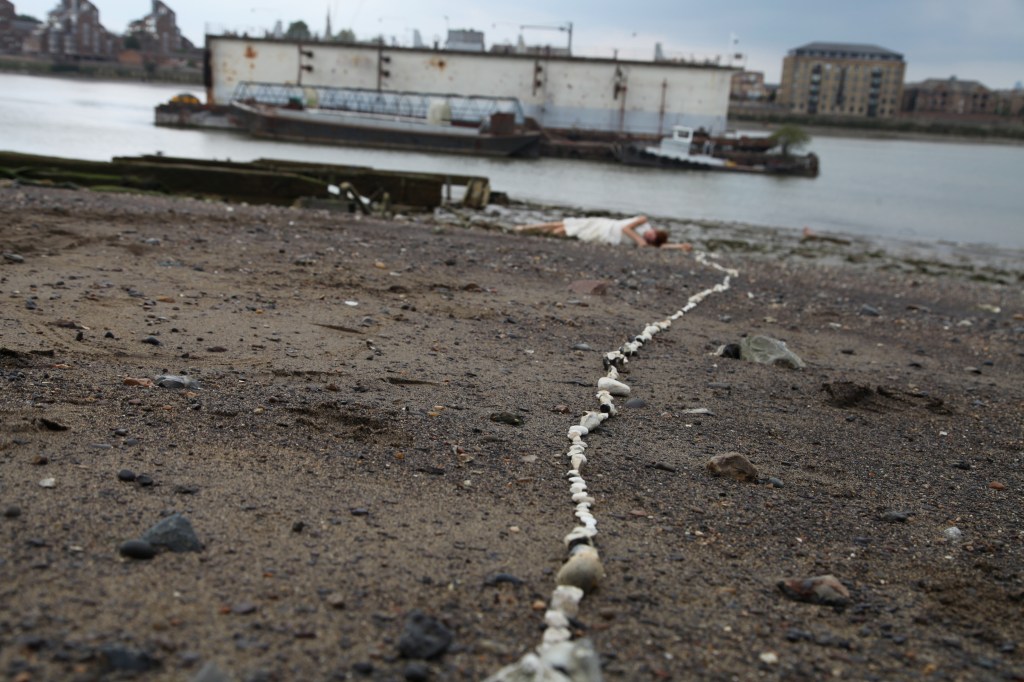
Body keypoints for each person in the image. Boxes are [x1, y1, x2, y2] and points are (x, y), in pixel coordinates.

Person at [514, 215, 692, 251]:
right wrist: (639, 240)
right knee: (564, 223)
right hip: (604, 225)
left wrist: (680, 246)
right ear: (653, 231)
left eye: (651, 239)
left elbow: (662, 246)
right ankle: (526, 228)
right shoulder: (643, 223)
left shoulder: (651, 244)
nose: (648, 237)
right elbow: (625, 228)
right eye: (651, 234)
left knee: (564, 232)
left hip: (603, 236)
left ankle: (540, 236)